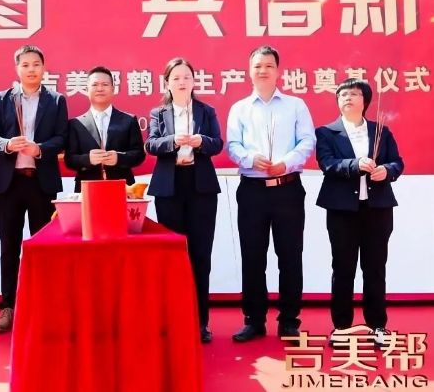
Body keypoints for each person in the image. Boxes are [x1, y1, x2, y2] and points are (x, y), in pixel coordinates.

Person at [226, 45, 315, 342]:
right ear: (249, 71)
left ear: (278, 71)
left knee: (290, 255)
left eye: (268, 65)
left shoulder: (295, 105)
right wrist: (250, 159)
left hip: (287, 188)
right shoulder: (240, 108)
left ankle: (289, 320)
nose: (263, 70)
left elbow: (307, 141)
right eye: (257, 66)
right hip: (252, 190)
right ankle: (254, 320)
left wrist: (286, 163)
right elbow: (233, 145)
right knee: (252, 256)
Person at [315, 78, 404, 347]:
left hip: (377, 209)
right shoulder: (326, 132)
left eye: (354, 94)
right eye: (342, 95)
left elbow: (397, 162)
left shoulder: (381, 131)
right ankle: (342, 326)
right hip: (342, 210)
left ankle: (377, 326)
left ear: (365, 101)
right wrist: (355, 165)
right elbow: (327, 163)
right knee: (343, 268)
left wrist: (386, 171)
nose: (347, 98)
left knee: (375, 268)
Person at [0, 45, 68, 333]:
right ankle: (8, 307)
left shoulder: (56, 100)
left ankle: (44, 307)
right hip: (9, 183)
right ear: (17, 68)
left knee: (43, 248)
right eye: (25, 65)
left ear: (44, 68)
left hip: (41, 183)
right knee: (9, 247)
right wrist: (7, 144)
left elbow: (62, 138)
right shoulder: (2, 99)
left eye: (36, 64)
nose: (31, 69)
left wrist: (40, 148)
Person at [145, 58, 223, 343]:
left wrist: (202, 141)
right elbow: (151, 144)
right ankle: (172, 320)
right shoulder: (158, 113)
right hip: (170, 188)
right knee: (172, 257)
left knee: (201, 256)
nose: (181, 82)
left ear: (193, 81)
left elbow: (218, 143)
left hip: (201, 188)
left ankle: (201, 322)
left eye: (186, 77)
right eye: (176, 78)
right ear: (167, 83)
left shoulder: (206, 111)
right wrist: (173, 141)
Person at [64, 66, 145, 192]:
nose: (100, 89)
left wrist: (119, 158)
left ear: (113, 89)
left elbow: (139, 154)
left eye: (105, 84)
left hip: (122, 187)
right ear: (86, 89)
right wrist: (88, 159)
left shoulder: (129, 120)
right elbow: (69, 159)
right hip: (87, 189)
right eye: (95, 85)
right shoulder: (75, 124)